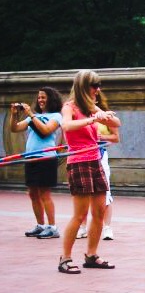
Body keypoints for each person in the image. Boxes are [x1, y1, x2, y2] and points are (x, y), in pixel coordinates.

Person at [59, 70, 121, 274]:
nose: (98, 90)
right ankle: (65, 258)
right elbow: (67, 126)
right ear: (84, 87)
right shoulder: (70, 106)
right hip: (78, 162)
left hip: (95, 161)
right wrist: (93, 119)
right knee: (80, 215)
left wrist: (105, 116)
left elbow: (117, 124)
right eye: (95, 86)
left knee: (99, 212)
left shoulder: (91, 107)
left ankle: (91, 255)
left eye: (99, 85)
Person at [9, 87, 63, 239]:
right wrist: (14, 115)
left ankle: (52, 227)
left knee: (44, 193)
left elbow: (46, 130)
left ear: (51, 99)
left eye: (43, 97)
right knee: (32, 193)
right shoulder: (34, 116)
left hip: (46, 158)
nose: (40, 100)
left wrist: (31, 115)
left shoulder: (56, 116)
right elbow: (15, 128)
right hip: (31, 158)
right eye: (39, 97)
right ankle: (40, 225)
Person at [76, 90, 120, 240]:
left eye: (94, 97)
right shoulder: (79, 114)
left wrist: (101, 137)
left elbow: (115, 138)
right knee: (83, 193)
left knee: (104, 192)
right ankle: (82, 228)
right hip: (82, 156)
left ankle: (107, 228)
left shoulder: (106, 115)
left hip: (100, 155)